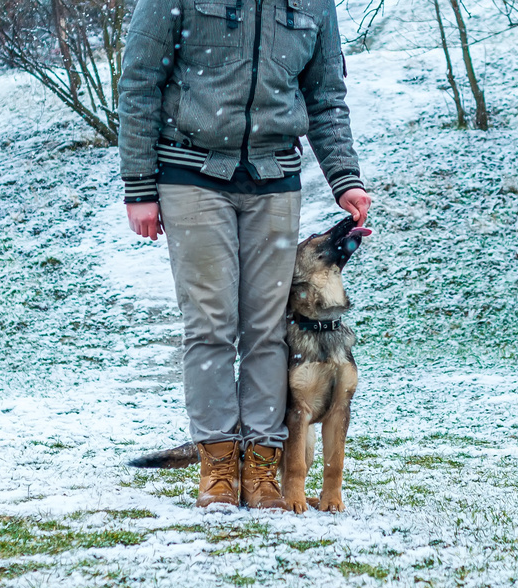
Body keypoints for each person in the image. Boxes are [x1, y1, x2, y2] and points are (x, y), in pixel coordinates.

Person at [118, 0, 371, 510]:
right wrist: (139, 185)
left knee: (266, 327)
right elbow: (139, 83)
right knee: (210, 323)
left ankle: (260, 465)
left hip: (275, 180)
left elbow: (325, 96)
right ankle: (216, 464)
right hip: (190, 175)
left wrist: (344, 177)